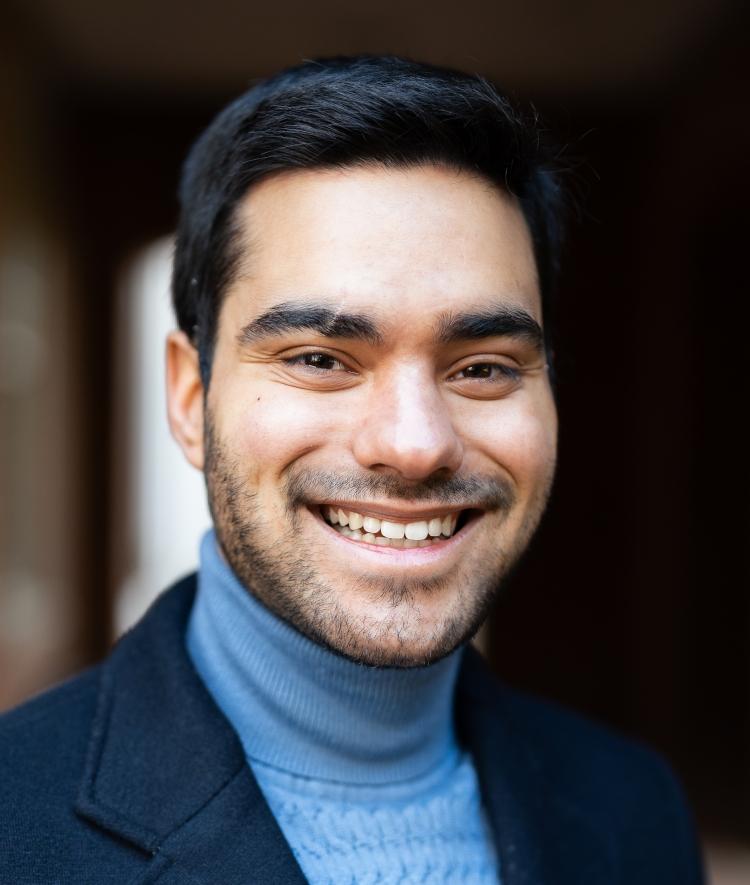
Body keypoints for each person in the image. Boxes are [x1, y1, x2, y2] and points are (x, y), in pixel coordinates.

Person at [0, 55, 704, 884]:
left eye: (481, 366)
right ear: (192, 399)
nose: (414, 444)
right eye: (320, 357)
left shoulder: (635, 811)